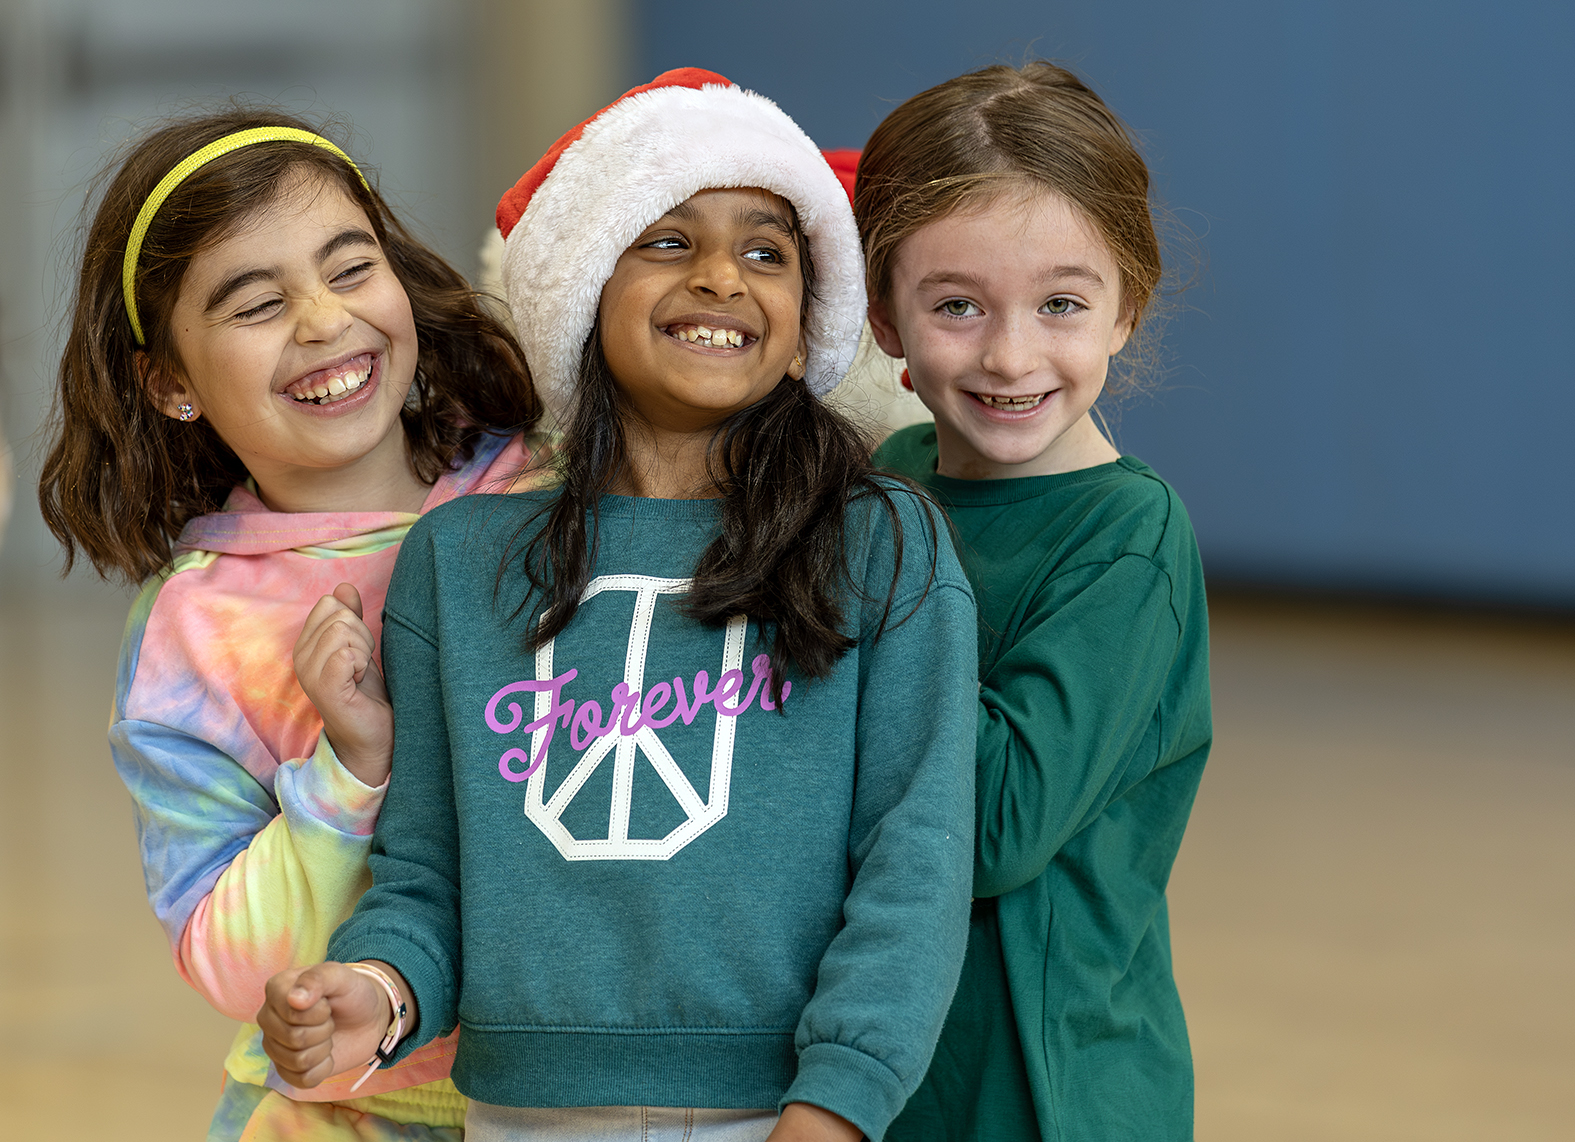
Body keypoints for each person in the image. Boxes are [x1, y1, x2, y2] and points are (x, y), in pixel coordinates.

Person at [253, 69, 978, 1142]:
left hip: (787, 1110)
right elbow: (426, 875)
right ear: (583, 287)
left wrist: (840, 1103)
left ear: (806, 324)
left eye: (766, 252)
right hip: (521, 1114)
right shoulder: (459, 561)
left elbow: (915, 860)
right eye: (669, 241)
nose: (721, 277)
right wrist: (380, 991)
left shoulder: (881, 541)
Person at [37, 107, 546, 1140]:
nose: (322, 320)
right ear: (169, 381)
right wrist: (349, 771)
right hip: (351, 1113)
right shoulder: (196, 631)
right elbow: (230, 961)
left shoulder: (552, 480)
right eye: (259, 303)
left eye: (351, 268)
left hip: (588, 1094)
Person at [853, 63, 1213, 1142]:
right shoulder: (890, 476)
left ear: (1126, 306)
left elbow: (995, 828)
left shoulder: (1128, 537)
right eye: (956, 306)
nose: (1010, 357)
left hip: (1045, 1088)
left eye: (1060, 304)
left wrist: (840, 623)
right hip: (882, 1063)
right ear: (883, 318)